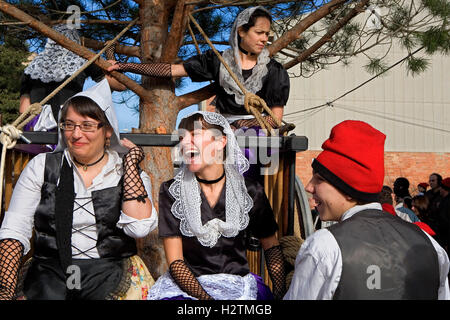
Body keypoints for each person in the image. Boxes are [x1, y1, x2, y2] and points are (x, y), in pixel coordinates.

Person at [0, 79, 157, 300]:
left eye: (87, 125)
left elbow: (139, 229)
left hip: (111, 271)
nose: (76, 134)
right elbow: (15, 229)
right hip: (50, 272)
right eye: (69, 125)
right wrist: (6, 288)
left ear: (108, 130)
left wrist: (130, 166)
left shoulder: (128, 173)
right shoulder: (42, 166)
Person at [284, 120, 450, 300]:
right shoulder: (430, 246)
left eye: (319, 179)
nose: (309, 187)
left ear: (348, 189)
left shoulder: (324, 246)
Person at [147, 111, 287, 300]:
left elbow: (271, 246)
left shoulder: (250, 191)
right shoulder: (172, 191)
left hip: (239, 286)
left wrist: (279, 293)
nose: (185, 143)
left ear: (221, 141)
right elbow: (176, 262)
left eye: (194, 135)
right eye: (182, 137)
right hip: (189, 288)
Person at [108, 6, 289, 129]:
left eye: (267, 34)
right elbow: (171, 70)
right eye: (259, 33)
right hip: (222, 129)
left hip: (254, 135)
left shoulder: (274, 71)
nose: (264, 39)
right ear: (241, 31)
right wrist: (126, 66)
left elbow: (275, 119)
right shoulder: (218, 60)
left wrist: (242, 124)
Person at [20, 24, 125, 133]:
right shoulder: (80, 60)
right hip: (68, 122)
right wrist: (110, 57)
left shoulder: (32, 66)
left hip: (36, 125)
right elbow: (120, 85)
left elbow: (23, 109)